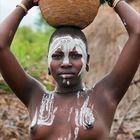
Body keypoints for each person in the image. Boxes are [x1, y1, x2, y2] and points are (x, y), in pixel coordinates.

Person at [0, 0, 140, 139]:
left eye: (75, 55)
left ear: (87, 61)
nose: (66, 63)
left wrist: (114, 1)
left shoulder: (104, 96)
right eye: (57, 56)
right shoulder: (35, 97)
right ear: (48, 62)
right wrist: (26, 4)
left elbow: (138, 32)